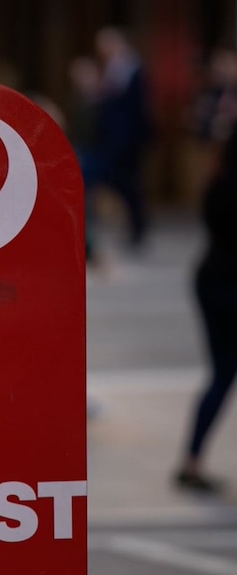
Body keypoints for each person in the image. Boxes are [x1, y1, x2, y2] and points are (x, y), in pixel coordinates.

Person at [174, 83, 237, 492]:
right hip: (228, 286)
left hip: (210, 279)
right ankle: (192, 461)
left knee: (221, 373)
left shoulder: (218, 183)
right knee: (223, 373)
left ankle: (192, 459)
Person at [94, 26, 152, 252]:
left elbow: (136, 107)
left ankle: (139, 226)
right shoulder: (111, 68)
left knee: (129, 182)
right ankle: (134, 225)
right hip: (113, 138)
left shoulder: (130, 68)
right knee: (119, 180)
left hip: (128, 138)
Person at [66, 56, 103, 265]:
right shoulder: (76, 101)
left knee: (89, 203)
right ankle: (84, 245)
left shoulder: (101, 103)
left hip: (93, 155)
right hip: (80, 153)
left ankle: (89, 245)